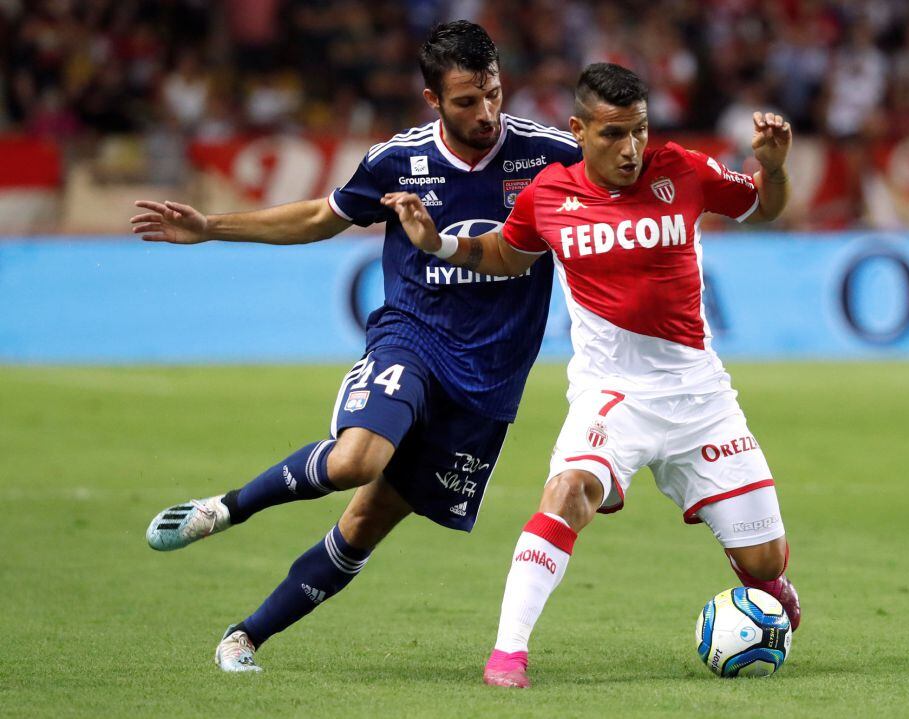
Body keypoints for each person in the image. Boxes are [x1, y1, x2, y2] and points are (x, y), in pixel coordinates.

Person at [130, 21, 581, 673]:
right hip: (414, 338)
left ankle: (244, 636)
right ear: (432, 100)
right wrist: (211, 228)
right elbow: (323, 215)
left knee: (365, 523)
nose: (485, 112)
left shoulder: (550, 155)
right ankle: (224, 507)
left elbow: (624, 202)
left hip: (489, 380)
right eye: (465, 100)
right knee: (354, 461)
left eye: (493, 93)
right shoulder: (398, 160)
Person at [382, 62, 800, 689]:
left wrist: (776, 168)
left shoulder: (682, 169)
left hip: (700, 397)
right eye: (612, 135)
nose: (630, 149)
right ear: (577, 129)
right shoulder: (548, 195)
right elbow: (503, 253)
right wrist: (438, 244)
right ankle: (507, 655)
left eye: (638, 131)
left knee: (764, 561)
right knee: (568, 490)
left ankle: (768, 591)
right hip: (612, 395)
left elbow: (763, 209)